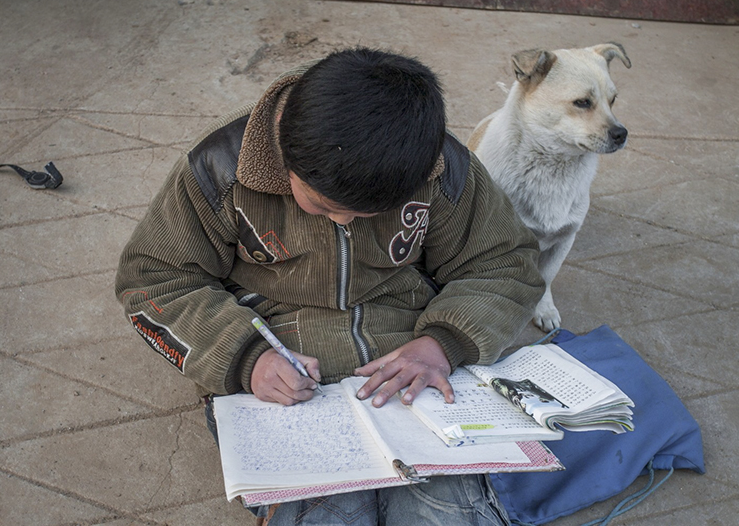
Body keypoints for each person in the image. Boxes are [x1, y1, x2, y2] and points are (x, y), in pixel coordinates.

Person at [115, 47, 544, 525]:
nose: (342, 220)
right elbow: (154, 279)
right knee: (322, 514)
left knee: (447, 510)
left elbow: (505, 263)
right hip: (281, 375)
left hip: (412, 369)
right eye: (321, 207)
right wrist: (245, 358)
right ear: (286, 160)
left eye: (366, 215)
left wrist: (443, 343)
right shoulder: (221, 167)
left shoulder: (438, 165)